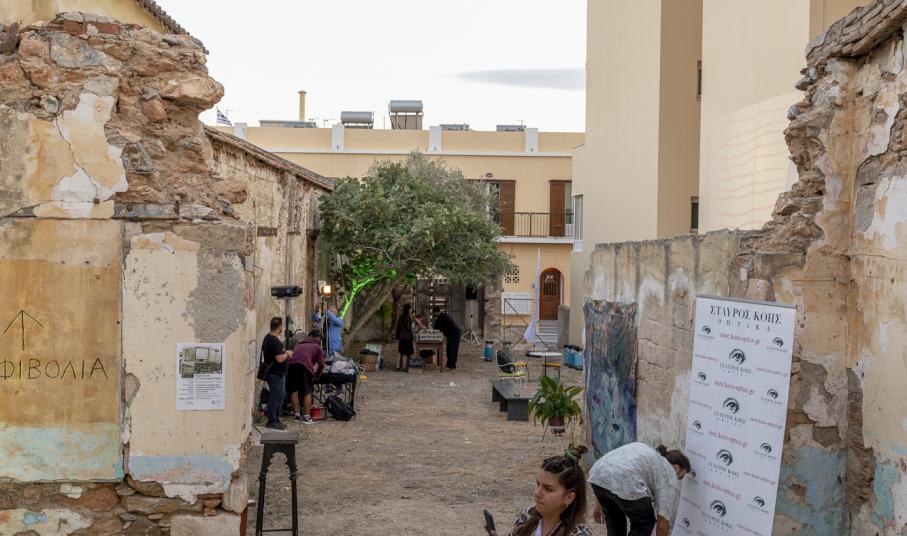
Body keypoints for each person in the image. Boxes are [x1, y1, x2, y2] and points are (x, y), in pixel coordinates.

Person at [587, 442, 691, 536]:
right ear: (676, 468)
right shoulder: (669, 474)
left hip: (598, 474)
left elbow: (611, 470)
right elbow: (662, 524)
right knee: (645, 522)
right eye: (680, 477)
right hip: (624, 482)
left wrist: (599, 504)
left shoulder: (645, 451)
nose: (678, 480)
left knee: (616, 522)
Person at [489, 444, 593, 536]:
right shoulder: (528, 515)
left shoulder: (579, 533)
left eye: (548, 489)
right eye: (538, 484)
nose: (537, 493)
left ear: (569, 498)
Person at [287, 329, 325, 425]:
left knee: (294, 390)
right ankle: (307, 417)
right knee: (307, 391)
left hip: (291, 366)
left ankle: (296, 415)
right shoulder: (317, 347)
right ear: (319, 339)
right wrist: (317, 375)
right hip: (304, 366)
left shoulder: (299, 345)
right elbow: (321, 364)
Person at [261, 317, 291, 430]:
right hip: (275, 374)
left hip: (275, 373)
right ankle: (272, 420)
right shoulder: (274, 341)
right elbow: (279, 358)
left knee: (281, 395)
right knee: (275, 397)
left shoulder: (267, 338)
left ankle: (275, 418)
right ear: (279, 328)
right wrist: (287, 354)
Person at [395, 304, 415, 372]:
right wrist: (412, 330)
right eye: (410, 309)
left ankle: (397, 367)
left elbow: (397, 327)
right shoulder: (408, 318)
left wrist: (397, 336)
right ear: (408, 310)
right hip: (406, 337)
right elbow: (408, 328)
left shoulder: (401, 317)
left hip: (401, 336)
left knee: (400, 352)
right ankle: (404, 367)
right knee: (405, 353)